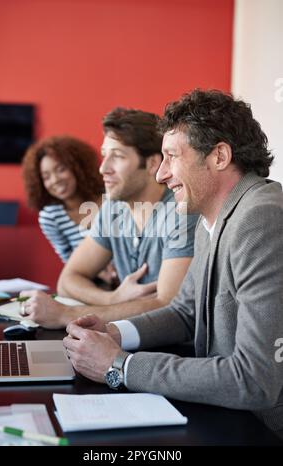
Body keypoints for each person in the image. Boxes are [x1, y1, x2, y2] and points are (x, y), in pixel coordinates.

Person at [62, 90, 283, 439]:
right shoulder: (213, 216)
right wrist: (114, 332)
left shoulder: (260, 219)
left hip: (263, 427)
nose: (161, 174)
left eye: (171, 157)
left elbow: (255, 380)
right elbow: (184, 312)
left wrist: (119, 364)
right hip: (227, 412)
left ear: (220, 156)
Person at [20, 108, 198, 327]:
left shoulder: (181, 211)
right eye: (105, 155)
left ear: (152, 164)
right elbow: (68, 279)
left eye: (118, 156)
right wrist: (113, 298)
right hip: (120, 339)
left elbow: (168, 306)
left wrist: (65, 315)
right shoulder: (113, 208)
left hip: (169, 353)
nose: (103, 168)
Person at [22, 135, 104, 263]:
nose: (55, 180)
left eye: (61, 169)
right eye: (46, 177)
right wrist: (101, 273)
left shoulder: (111, 199)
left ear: (79, 168)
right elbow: (69, 262)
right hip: (89, 279)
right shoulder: (51, 216)